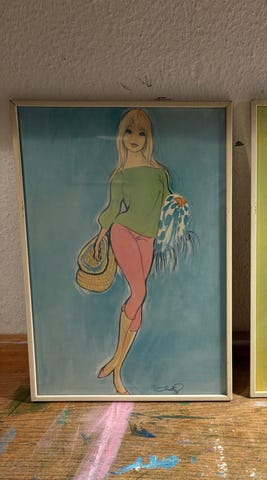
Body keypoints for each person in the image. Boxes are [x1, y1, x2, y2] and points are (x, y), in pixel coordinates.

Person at [94, 108, 185, 395]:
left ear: (149, 138)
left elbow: (166, 201)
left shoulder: (159, 173)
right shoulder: (120, 175)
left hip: (148, 239)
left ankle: (116, 363)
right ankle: (117, 366)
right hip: (123, 232)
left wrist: (177, 202)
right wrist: (100, 237)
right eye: (129, 131)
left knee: (139, 298)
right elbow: (113, 210)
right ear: (121, 136)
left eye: (141, 132)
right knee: (139, 292)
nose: (135, 137)